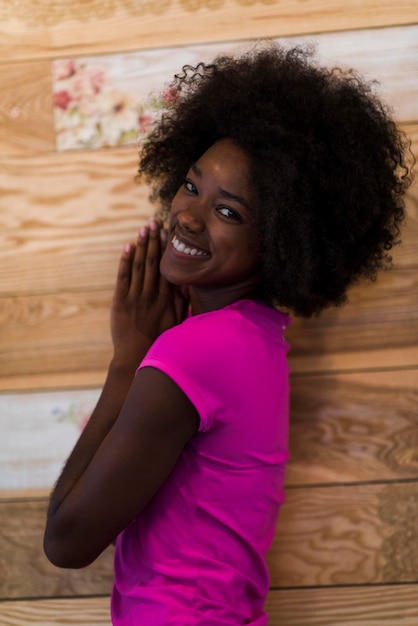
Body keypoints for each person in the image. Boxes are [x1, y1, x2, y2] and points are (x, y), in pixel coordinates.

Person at [43, 43, 412, 625]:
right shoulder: (258, 340)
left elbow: (66, 543)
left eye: (230, 212)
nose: (187, 216)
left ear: (284, 243)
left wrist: (128, 360)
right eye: (192, 186)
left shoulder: (197, 350)